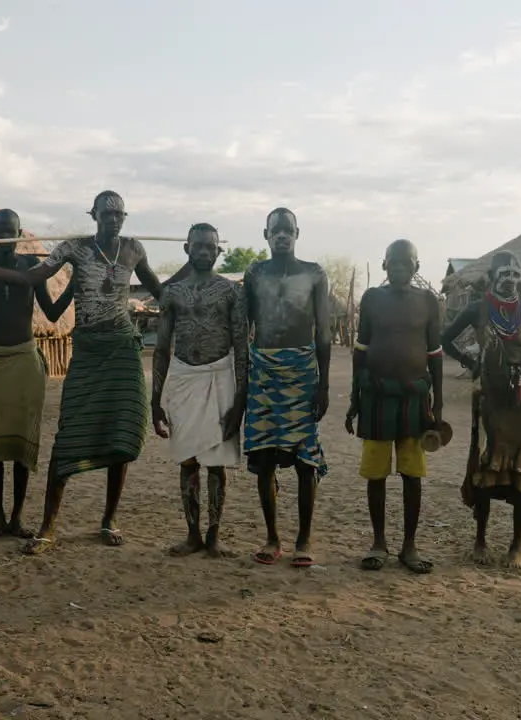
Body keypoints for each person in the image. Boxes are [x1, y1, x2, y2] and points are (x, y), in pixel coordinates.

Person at [0, 190, 182, 554]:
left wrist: (194, 269)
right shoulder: (74, 249)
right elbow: (29, 279)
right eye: (106, 213)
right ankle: (47, 526)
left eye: (119, 213)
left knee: (123, 432)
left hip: (122, 348)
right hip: (87, 349)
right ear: (94, 215)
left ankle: (109, 518)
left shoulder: (135, 249)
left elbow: (159, 291)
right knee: (69, 434)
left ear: (125, 216)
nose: (113, 219)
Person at [441, 251, 521, 568]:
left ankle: (516, 546)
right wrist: (473, 362)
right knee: (486, 468)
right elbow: (445, 338)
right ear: (492, 276)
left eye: (516, 272)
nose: (511, 278)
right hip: (491, 403)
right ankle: (480, 540)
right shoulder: (477, 309)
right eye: (505, 272)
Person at [0, 208, 76, 540]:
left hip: (25, 360)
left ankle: (16, 518)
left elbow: (53, 313)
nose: (4, 237)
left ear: (18, 233)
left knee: (20, 443)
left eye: (10, 231)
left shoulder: (31, 266)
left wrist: (75, 281)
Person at [344, 239, 442, 574]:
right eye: (394, 262)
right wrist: (355, 398)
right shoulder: (372, 299)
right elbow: (360, 350)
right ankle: (378, 541)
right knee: (376, 474)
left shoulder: (429, 301)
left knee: (412, 474)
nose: (400, 267)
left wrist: (438, 404)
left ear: (417, 265)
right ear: (384, 265)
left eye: (407, 262)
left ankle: (409, 545)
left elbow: (435, 356)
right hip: (375, 397)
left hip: (415, 399)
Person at [151, 223, 248, 558]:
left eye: (211, 247)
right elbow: (161, 348)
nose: (205, 252)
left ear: (219, 251)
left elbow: (242, 347)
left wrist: (240, 401)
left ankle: (214, 536)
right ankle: (192, 535)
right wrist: (155, 400)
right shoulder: (173, 293)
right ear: (187, 249)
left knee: (217, 463)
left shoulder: (232, 292)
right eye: (198, 246)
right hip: (182, 378)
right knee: (188, 461)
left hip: (220, 375)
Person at [243, 207, 330, 568]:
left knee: (304, 459)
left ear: (298, 233)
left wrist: (323, 384)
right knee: (263, 457)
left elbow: (323, 332)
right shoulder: (254, 273)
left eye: (288, 230)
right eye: (275, 230)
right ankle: (272, 536)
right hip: (262, 370)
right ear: (265, 235)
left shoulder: (314, 274)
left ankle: (304, 538)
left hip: (302, 372)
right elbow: (244, 326)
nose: (282, 236)